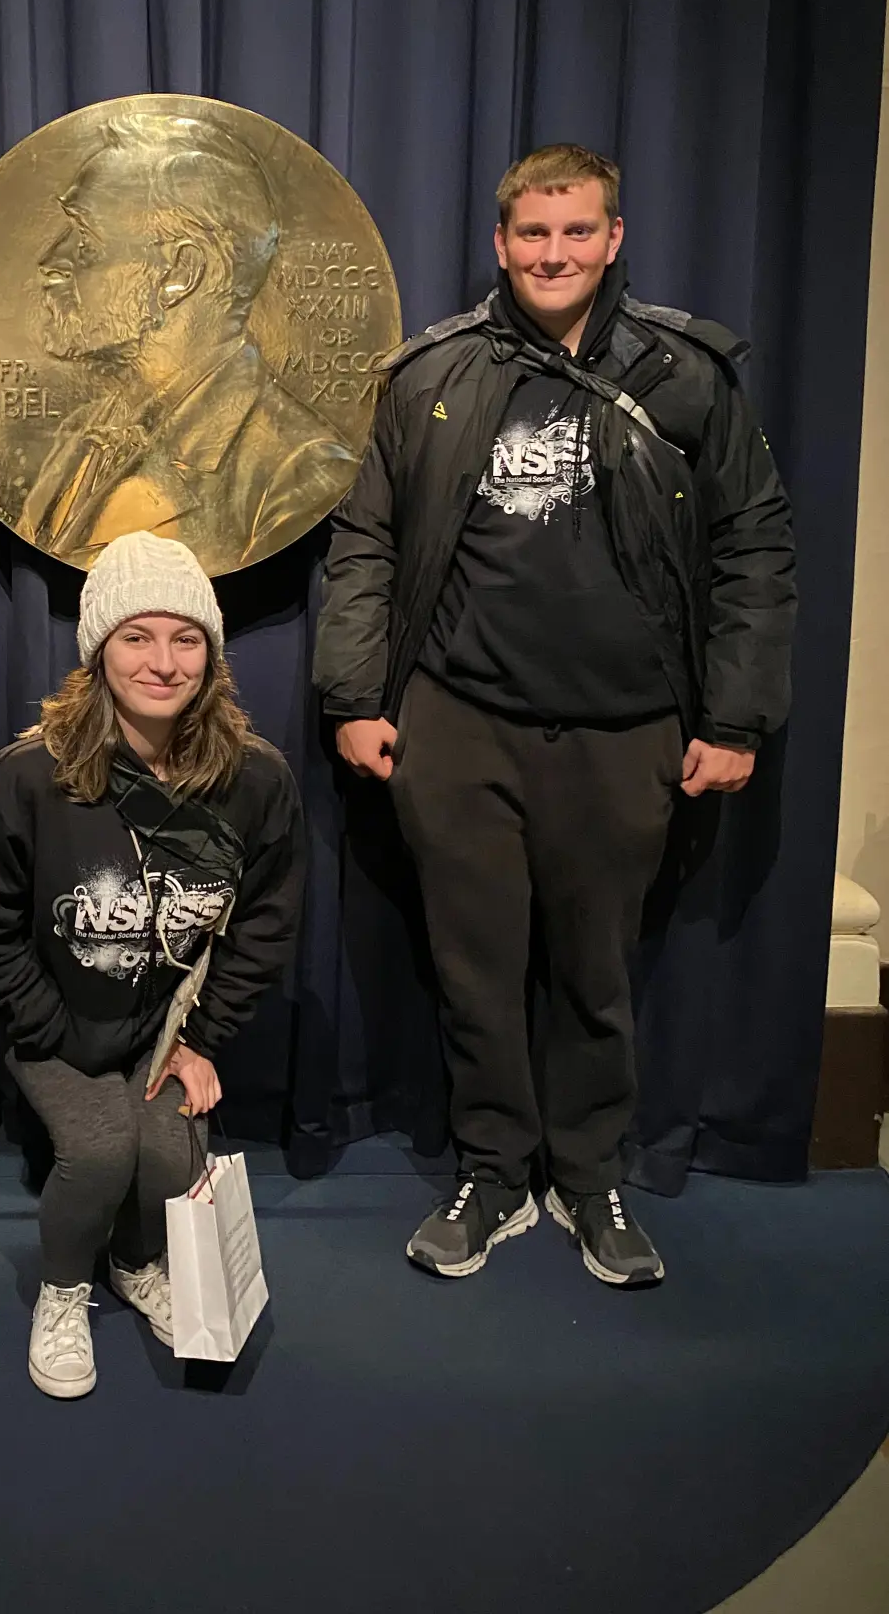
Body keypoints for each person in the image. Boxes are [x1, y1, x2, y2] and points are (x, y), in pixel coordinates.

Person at [314, 145, 796, 1288]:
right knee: (473, 970)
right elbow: (366, 541)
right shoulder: (431, 373)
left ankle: (589, 1179)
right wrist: (353, 696)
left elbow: (755, 547)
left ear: (614, 238)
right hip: (459, 723)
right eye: (533, 233)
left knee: (596, 972)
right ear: (501, 243)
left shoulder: (687, 375)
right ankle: (493, 1174)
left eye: (578, 231)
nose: (554, 253)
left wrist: (736, 719)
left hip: (627, 729)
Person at [0, 531, 303, 1396]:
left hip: (166, 1023)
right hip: (53, 1016)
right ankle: (64, 1291)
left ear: (211, 656)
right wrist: (51, 1028)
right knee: (102, 1153)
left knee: (173, 1156)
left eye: (186, 640)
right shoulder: (32, 775)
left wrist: (202, 1038)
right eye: (137, 637)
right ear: (99, 649)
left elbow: (266, 922)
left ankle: (137, 1265)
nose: (163, 663)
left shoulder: (254, 781)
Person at [18, 115, 356, 567]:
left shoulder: (300, 472)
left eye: (85, 242)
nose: (50, 260)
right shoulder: (80, 435)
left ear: (179, 274)